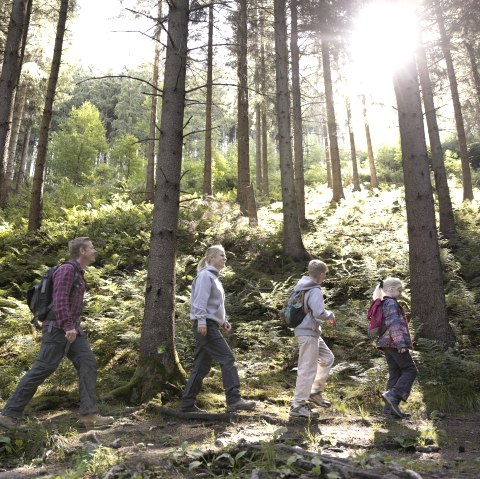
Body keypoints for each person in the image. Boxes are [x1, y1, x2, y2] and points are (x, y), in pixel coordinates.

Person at [0, 237, 113, 430]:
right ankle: (9, 414)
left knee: (87, 362)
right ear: (82, 251)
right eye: (92, 248)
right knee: (43, 368)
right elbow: (60, 300)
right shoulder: (67, 270)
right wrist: (68, 326)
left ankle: (88, 414)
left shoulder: (79, 272)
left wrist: (72, 326)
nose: (95, 251)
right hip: (58, 328)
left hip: (72, 328)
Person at [180, 245, 256, 413]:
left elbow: (215, 304)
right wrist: (200, 320)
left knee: (201, 367)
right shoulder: (205, 276)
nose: (225, 258)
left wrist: (223, 321)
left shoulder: (215, 278)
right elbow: (200, 300)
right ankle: (234, 400)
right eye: (221, 255)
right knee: (227, 359)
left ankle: (186, 404)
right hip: (204, 325)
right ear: (211, 258)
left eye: (225, 256)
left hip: (210, 324)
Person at [290, 260, 336, 419]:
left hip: (310, 331)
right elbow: (318, 313)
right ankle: (298, 405)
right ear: (321, 274)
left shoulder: (301, 286)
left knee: (327, 358)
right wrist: (331, 315)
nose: (325, 277)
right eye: (325, 274)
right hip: (308, 332)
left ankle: (314, 392)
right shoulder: (314, 289)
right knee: (307, 368)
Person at [373, 277, 417, 419]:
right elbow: (394, 324)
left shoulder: (384, 303)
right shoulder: (391, 303)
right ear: (391, 289)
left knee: (396, 373)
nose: (400, 293)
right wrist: (400, 343)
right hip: (393, 343)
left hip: (386, 344)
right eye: (399, 290)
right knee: (410, 370)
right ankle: (393, 396)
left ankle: (389, 411)